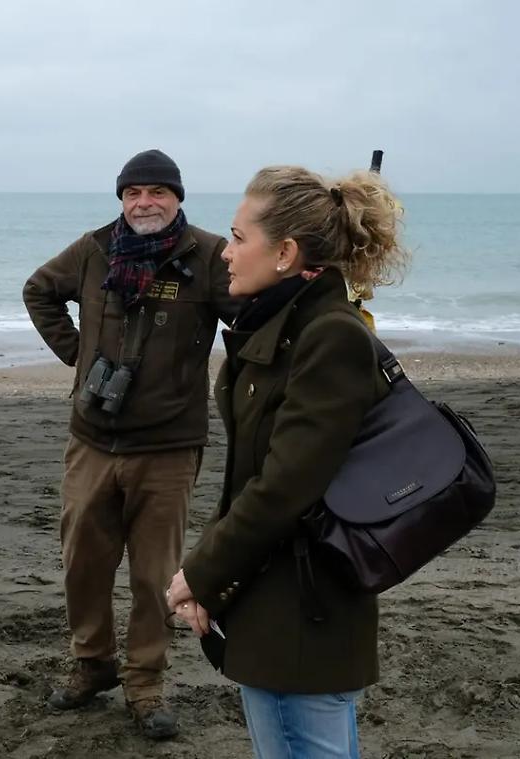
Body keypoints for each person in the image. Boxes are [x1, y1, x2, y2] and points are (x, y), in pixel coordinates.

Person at [167, 165, 408, 758]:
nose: (225, 252)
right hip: (269, 596)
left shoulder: (328, 336)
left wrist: (200, 573)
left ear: (287, 253)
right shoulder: (287, 325)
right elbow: (253, 481)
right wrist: (214, 584)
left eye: (240, 237)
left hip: (304, 610)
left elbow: (283, 489)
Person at [23, 149, 237, 739]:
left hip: (169, 447)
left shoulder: (212, 254)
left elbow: (252, 316)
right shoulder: (94, 250)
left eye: (157, 192)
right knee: (83, 565)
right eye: (132, 193)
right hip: (92, 439)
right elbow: (39, 289)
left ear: (177, 198)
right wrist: (79, 358)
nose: (144, 203)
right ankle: (92, 664)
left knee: (155, 577)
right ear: (121, 200)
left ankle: (145, 684)